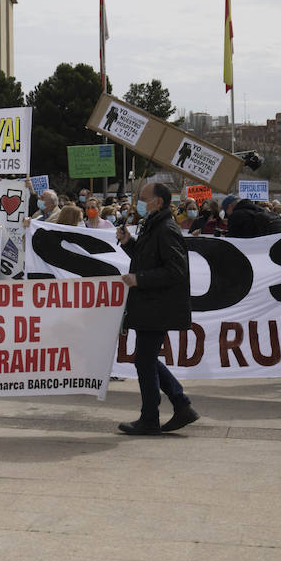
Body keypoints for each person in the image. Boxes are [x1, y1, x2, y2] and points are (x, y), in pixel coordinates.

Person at [116, 181, 199, 435]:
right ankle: (179, 405)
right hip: (150, 306)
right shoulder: (154, 225)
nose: (139, 202)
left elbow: (175, 271)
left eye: (143, 198)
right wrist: (130, 242)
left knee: (144, 360)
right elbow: (148, 258)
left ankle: (152, 417)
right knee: (146, 359)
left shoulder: (165, 228)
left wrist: (139, 279)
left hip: (157, 307)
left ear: (158, 202)